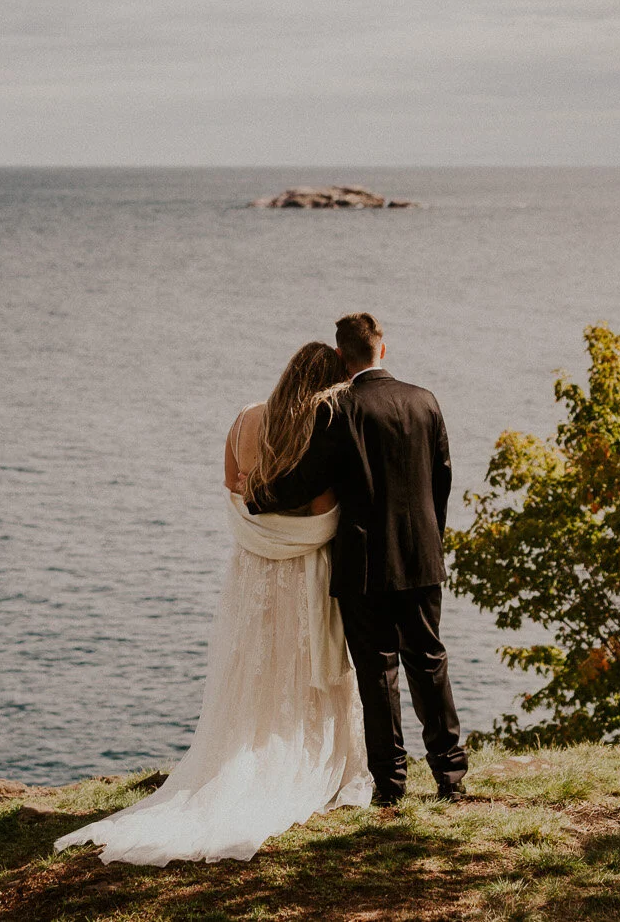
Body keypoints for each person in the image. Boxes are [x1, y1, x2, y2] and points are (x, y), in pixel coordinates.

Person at [54, 342, 373, 865]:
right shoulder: (319, 427)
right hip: (300, 569)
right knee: (296, 664)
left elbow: (232, 486)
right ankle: (304, 757)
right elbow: (322, 510)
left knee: (254, 665)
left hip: (252, 567)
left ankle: (236, 752)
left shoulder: (246, 418)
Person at [249, 312, 468, 805]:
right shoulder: (425, 401)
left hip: (364, 563)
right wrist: (431, 543)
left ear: (342, 358)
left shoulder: (337, 409)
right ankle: (450, 777)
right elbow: (442, 480)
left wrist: (257, 496)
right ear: (382, 350)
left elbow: (306, 480)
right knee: (430, 662)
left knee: (377, 674)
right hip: (421, 559)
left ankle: (391, 787)